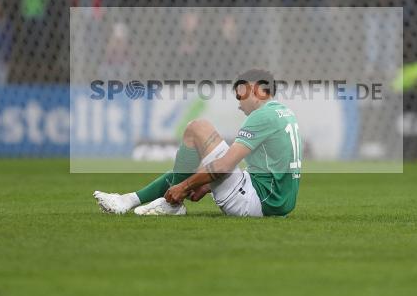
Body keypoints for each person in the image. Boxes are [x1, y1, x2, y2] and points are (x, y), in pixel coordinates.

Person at [93, 69, 302, 218]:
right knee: (199, 170)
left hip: (258, 203)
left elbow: (224, 166)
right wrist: (205, 185)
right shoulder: (285, 112)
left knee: (197, 128)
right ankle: (128, 200)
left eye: (240, 95)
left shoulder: (261, 116)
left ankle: (171, 204)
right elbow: (267, 170)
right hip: (278, 203)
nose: (239, 103)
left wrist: (184, 187)